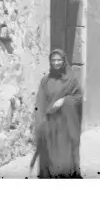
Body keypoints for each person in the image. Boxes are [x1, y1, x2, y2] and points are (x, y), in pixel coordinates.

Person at [31, 49, 83, 178]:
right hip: (50, 122)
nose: (56, 63)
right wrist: (39, 120)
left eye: (59, 60)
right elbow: (40, 101)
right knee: (50, 151)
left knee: (64, 150)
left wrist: (64, 101)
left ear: (64, 61)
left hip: (65, 123)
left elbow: (78, 97)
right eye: (53, 60)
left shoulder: (71, 80)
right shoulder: (45, 81)